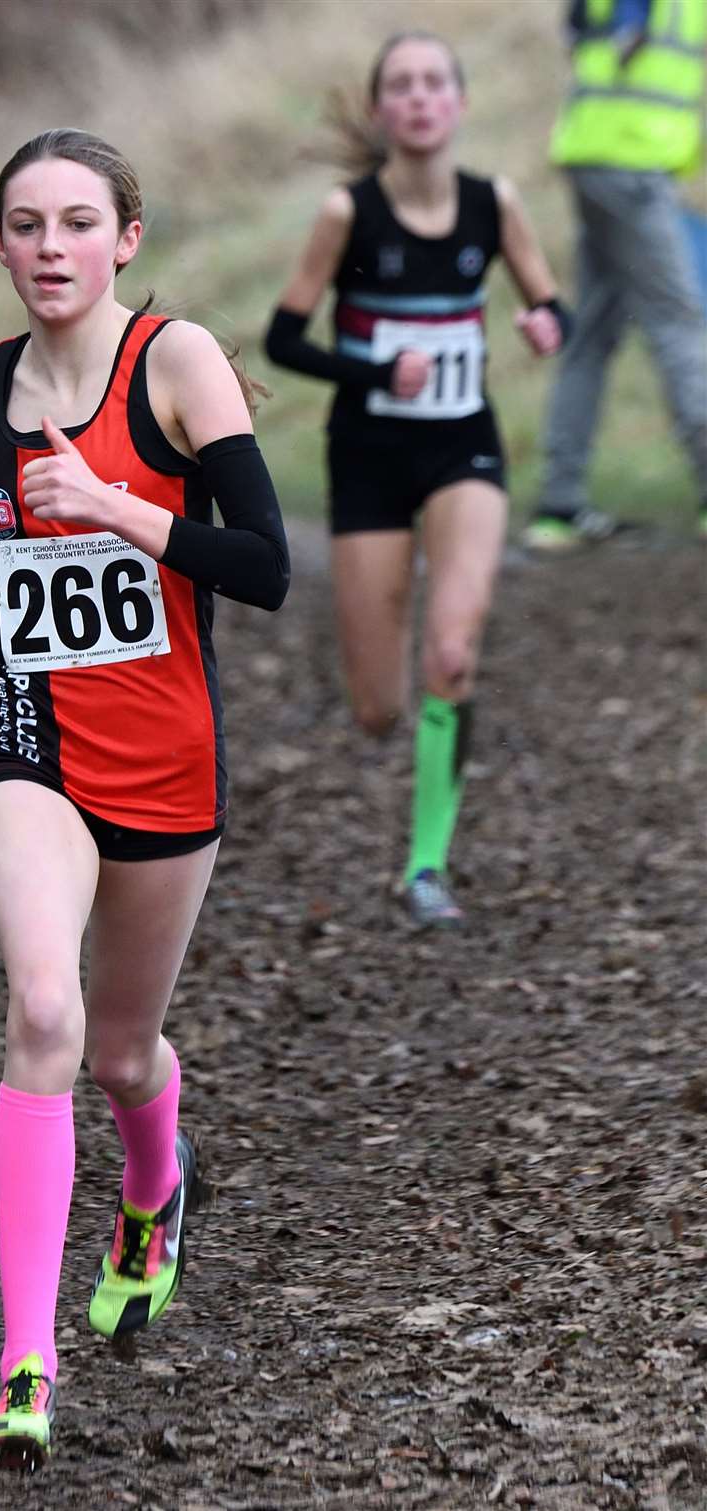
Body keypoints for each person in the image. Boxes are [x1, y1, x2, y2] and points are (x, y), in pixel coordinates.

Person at [0, 128, 288, 1472]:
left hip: (168, 752)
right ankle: (22, 1365)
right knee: (41, 1009)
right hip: (28, 737)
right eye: (25, 225)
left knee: (119, 1051)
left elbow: (267, 564)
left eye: (76, 223)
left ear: (127, 238)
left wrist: (117, 504)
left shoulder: (177, 361)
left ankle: (156, 1191)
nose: (50, 249)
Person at [264, 30, 569, 929]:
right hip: (366, 458)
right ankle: (390, 711)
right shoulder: (345, 214)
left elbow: (550, 300)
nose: (421, 98)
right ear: (381, 110)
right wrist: (372, 372)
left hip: (462, 450)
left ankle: (426, 866)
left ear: (460, 103)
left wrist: (548, 324)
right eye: (402, 85)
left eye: (436, 82)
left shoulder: (493, 203)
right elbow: (284, 339)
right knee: (377, 709)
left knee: (451, 653)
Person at [525, 0, 707, 550]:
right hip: (630, 163)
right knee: (679, 323)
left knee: (593, 334)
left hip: (601, 156)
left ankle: (559, 504)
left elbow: (577, 28)